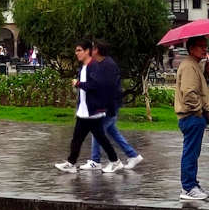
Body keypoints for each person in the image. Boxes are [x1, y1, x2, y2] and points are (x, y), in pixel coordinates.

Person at [54, 40, 122, 173]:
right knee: (80, 138)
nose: (76, 53)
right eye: (76, 50)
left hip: (93, 111)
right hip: (85, 111)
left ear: (87, 51)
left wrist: (78, 84)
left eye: (79, 50)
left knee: (98, 138)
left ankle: (115, 161)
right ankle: (71, 163)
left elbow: (96, 86)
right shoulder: (84, 67)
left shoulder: (94, 66)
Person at [83, 41, 143, 171]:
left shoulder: (108, 66)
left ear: (97, 50)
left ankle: (96, 160)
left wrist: (108, 108)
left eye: (91, 49)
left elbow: (110, 89)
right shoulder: (102, 64)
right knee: (112, 131)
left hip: (109, 105)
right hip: (107, 105)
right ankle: (133, 155)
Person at [175, 35, 209, 200]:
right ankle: (188, 187)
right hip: (192, 116)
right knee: (190, 152)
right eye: (201, 46)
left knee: (193, 152)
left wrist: (205, 73)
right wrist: (199, 111)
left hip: (194, 116)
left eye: (205, 46)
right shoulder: (189, 66)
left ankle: (192, 184)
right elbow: (190, 93)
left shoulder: (195, 66)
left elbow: (197, 88)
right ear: (191, 48)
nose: (205, 49)